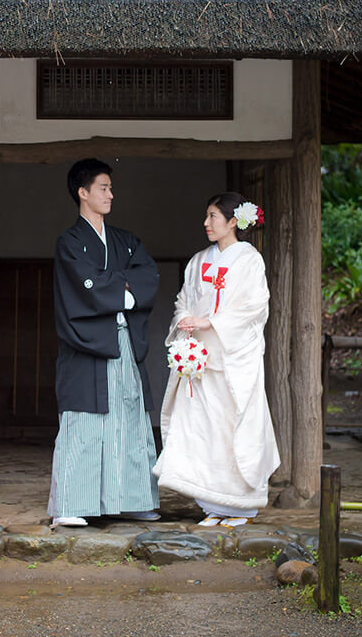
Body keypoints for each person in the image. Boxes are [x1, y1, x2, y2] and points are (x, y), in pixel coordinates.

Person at [153, 192, 280, 527]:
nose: (206, 223)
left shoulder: (250, 260)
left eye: (212, 216)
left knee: (231, 429)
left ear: (233, 221)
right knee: (203, 431)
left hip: (232, 358)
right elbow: (184, 299)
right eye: (206, 216)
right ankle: (213, 504)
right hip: (201, 361)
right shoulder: (198, 260)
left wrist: (211, 323)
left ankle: (240, 505)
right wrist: (186, 322)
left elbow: (255, 307)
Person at [48, 158, 161, 528]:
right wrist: (121, 289)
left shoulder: (125, 241)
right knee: (84, 423)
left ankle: (133, 499)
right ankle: (70, 504)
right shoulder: (70, 242)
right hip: (86, 349)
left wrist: (112, 287)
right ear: (83, 193)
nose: (111, 194)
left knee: (129, 418)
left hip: (123, 342)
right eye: (103, 188)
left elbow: (146, 276)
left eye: (111, 188)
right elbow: (85, 285)